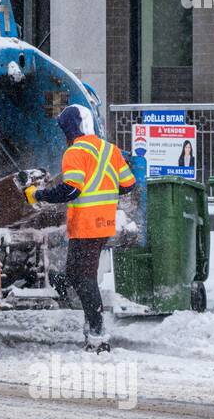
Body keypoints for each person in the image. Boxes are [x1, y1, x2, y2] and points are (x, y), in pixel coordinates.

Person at [25, 105, 137, 353]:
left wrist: (38, 195)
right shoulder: (110, 150)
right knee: (77, 274)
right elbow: (128, 184)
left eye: (65, 128)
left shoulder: (75, 152)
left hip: (86, 224)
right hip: (104, 224)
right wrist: (105, 193)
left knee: (83, 277)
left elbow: (71, 189)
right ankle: (92, 325)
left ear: (71, 128)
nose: (64, 133)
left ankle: (98, 335)